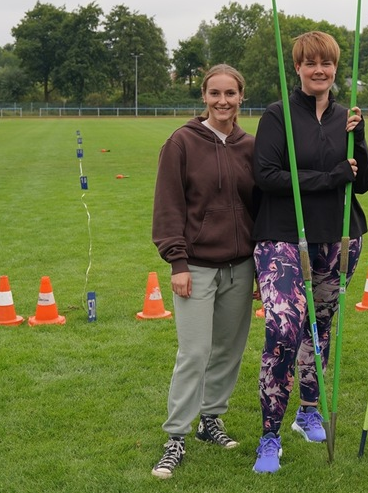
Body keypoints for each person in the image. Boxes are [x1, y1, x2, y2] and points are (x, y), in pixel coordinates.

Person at [251, 31, 368, 474]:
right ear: (298, 68)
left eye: (326, 63)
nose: (319, 69)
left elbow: (364, 181)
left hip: (340, 236)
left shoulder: (348, 115)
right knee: (285, 326)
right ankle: (269, 435)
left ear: (335, 68)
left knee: (319, 328)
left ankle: (308, 412)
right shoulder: (277, 114)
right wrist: (329, 177)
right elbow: (267, 175)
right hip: (283, 236)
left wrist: (358, 140)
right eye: (310, 63)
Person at [149, 64, 258, 479]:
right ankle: (176, 435)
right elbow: (168, 206)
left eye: (230, 93)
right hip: (194, 267)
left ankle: (211, 420)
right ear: (204, 96)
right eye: (215, 93)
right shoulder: (181, 142)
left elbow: (259, 208)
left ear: (241, 97)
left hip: (241, 266)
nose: (223, 101)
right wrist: (177, 261)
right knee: (194, 352)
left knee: (228, 351)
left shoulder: (249, 146)